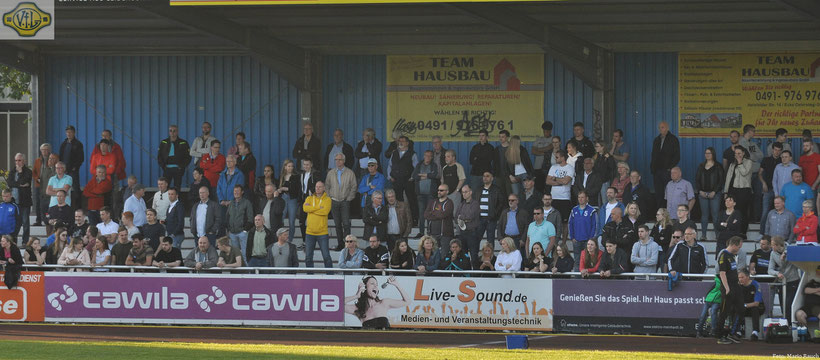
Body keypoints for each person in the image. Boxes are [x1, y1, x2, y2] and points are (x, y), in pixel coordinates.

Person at [344, 276, 410, 329]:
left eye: (377, 285)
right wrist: (356, 296)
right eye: (372, 284)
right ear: (365, 287)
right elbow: (338, 304)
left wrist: (397, 284)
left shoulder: (384, 303)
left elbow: (407, 301)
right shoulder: (358, 309)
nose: (375, 286)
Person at [326, 153, 358, 251]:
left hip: (345, 201)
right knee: (337, 224)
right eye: (336, 159)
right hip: (334, 201)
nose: (337, 161)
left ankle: (347, 244)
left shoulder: (350, 172)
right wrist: (330, 196)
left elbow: (354, 186)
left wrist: (349, 198)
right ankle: (340, 244)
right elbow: (327, 186)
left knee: (346, 224)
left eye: (339, 159)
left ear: (344, 161)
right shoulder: (331, 173)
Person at [716, 236, 743, 345]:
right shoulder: (724, 255)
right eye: (739, 247)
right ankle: (720, 335)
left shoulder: (732, 256)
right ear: (734, 245)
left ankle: (732, 333)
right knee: (724, 312)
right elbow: (722, 273)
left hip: (735, 286)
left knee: (741, 309)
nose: (740, 249)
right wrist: (727, 288)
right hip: (728, 287)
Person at [387, 135, 418, 227]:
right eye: (399, 141)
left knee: (412, 200)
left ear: (407, 143)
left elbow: (416, 167)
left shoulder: (412, 154)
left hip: (408, 180)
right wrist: (389, 176)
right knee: (398, 201)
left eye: (403, 141)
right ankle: (399, 221)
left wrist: (412, 177)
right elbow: (390, 165)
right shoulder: (394, 153)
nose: (400, 142)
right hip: (396, 180)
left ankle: (414, 220)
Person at [768, 236, 800, 324]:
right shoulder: (773, 253)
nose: (771, 247)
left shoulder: (790, 249)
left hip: (793, 280)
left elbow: (797, 263)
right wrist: (777, 273)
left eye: (772, 245)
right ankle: (786, 324)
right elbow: (770, 269)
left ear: (778, 245)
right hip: (782, 282)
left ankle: (792, 324)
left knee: (789, 304)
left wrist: (785, 258)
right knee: (783, 305)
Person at [695, 147, 724, 240]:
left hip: (715, 194)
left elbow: (721, 181)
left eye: (709, 153)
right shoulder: (701, 166)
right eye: (706, 153)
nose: (707, 155)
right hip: (703, 194)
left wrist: (715, 191)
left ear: (713, 154)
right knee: (704, 215)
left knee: (715, 215)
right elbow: (697, 180)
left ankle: (718, 235)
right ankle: (703, 235)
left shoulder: (718, 166)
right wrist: (700, 191)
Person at [651, 121, 680, 210]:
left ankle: (669, 213)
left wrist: (670, 168)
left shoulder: (673, 139)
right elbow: (653, 155)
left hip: (667, 171)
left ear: (667, 128)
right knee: (659, 193)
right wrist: (652, 168)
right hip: (657, 171)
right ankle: (659, 213)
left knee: (669, 193)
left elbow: (677, 156)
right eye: (659, 128)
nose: (661, 129)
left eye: (663, 127)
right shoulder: (656, 140)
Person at [303, 181, 332, 268]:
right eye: (316, 187)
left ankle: (330, 276)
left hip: (322, 232)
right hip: (310, 232)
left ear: (324, 188)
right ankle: (310, 276)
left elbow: (325, 211)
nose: (317, 188)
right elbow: (305, 208)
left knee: (326, 256)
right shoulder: (309, 198)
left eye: (320, 187)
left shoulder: (328, 199)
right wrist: (318, 208)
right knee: (308, 257)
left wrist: (311, 209)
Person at [546, 150, 575, 237]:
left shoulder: (569, 168)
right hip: (554, 197)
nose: (556, 158)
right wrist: (560, 182)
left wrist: (554, 179)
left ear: (563, 157)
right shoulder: (553, 167)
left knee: (564, 222)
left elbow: (566, 181)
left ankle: (564, 242)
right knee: (552, 221)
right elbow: (547, 181)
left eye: (557, 157)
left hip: (564, 198)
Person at [413, 150, 441, 238]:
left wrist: (423, 175)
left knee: (430, 213)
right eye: (426, 155)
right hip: (420, 194)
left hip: (430, 194)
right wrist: (428, 175)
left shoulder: (434, 165)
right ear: (424, 156)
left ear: (432, 157)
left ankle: (429, 232)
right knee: (421, 214)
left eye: (429, 156)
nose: (427, 157)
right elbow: (414, 176)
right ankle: (421, 232)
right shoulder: (419, 165)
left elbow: (435, 175)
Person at [568, 191, 598, 271]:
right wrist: (572, 237)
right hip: (576, 240)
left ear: (587, 198)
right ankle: (577, 280)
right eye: (579, 197)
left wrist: (591, 239)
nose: (580, 199)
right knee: (577, 261)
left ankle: (587, 280)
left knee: (588, 261)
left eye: (582, 197)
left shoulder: (592, 210)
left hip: (588, 241)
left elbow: (594, 226)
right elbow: (570, 224)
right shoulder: (574, 210)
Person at [225, 185, 253, 263]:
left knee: (244, 253)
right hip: (233, 233)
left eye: (238, 191)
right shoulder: (231, 203)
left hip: (242, 232)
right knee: (235, 254)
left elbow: (250, 218)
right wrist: (228, 230)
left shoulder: (247, 203)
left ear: (242, 192)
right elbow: (227, 217)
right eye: (234, 191)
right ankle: (237, 272)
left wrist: (245, 230)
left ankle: (247, 272)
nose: (236, 192)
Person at [8, 153, 32, 244]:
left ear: (24, 161)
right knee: (15, 223)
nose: (17, 162)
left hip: (25, 201)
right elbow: (10, 183)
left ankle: (25, 241)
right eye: (16, 160)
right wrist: (20, 185)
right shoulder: (12, 171)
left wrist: (21, 172)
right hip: (14, 201)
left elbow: (25, 181)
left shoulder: (28, 171)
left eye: (19, 160)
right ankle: (13, 241)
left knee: (25, 222)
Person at [157, 124, 191, 189]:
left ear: (177, 132)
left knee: (177, 187)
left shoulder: (183, 142)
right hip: (166, 168)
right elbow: (159, 156)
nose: (172, 132)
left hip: (178, 169)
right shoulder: (164, 142)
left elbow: (188, 156)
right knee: (165, 187)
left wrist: (182, 166)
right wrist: (163, 166)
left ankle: (176, 199)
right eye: (170, 131)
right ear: (169, 132)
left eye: (174, 131)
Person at [759, 142, 782, 236]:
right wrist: (763, 183)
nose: (777, 152)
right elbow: (759, 173)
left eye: (779, 150)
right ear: (772, 150)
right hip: (768, 190)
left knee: (780, 212)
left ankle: (778, 234)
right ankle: (762, 233)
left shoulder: (782, 161)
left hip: (780, 191)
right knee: (765, 212)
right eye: (775, 150)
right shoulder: (766, 160)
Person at [735, 269, 765, 341]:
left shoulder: (755, 284)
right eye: (739, 277)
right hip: (744, 307)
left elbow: (756, 303)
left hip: (756, 307)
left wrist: (744, 306)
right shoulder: (738, 286)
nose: (740, 279)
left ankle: (755, 332)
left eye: (742, 277)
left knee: (755, 309)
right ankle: (737, 331)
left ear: (748, 277)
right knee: (734, 308)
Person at [476, 171, 503, 246]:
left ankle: (490, 257)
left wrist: (495, 213)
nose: (485, 178)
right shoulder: (479, 189)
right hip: (480, 218)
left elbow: (501, 203)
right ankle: (476, 257)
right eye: (484, 176)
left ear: (492, 178)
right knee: (476, 239)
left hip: (491, 219)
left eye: (487, 176)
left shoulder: (497, 189)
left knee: (490, 241)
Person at [59, 126, 84, 206]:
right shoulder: (64, 144)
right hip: (64, 171)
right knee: (63, 189)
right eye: (67, 132)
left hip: (73, 171)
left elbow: (80, 158)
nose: (68, 134)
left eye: (70, 132)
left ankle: (78, 208)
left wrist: (74, 168)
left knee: (76, 189)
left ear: (74, 133)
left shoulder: (78, 144)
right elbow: (61, 156)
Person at [424, 184, 454, 251]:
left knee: (444, 256)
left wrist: (432, 212)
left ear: (447, 192)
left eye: (441, 190)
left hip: (445, 235)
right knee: (434, 256)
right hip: (432, 234)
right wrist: (439, 213)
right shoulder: (433, 202)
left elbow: (443, 215)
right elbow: (426, 215)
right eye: (438, 190)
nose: (439, 192)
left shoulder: (449, 202)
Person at [217, 156, 246, 223]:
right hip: (223, 203)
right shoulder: (222, 174)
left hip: (234, 203)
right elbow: (218, 188)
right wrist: (221, 200)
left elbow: (239, 189)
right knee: (222, 223)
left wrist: (232, 201)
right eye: (227, 161)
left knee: (232, 223)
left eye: (230, 161)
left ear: (235, 162)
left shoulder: (239, 174)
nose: (228, 163)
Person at [279, 159, 300, 243]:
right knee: (281, 219)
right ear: (285, 167)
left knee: (292, 221)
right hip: (283, 198)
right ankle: (281, 238)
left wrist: (284, 188)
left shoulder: (296, 176)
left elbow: (296, 189)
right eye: (289, 166)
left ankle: (290, 240)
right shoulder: (282, 176)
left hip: (292, 199)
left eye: (292, 166)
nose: (290, 168)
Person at [298, 158, 320, 239]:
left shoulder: (315, 174)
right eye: (304, 164)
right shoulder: (302, 174)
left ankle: (312, 240)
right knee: (301, 221)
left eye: (307, 164)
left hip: (312, 199)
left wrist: (313, 192)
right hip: (303, 199)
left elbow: (318, 186)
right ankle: (304, 240)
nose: (306, 166)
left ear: (311, 165)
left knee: (312, 221)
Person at [32, 143, 53, 227]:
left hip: (48, 185)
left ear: (49, 151)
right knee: (38, 202)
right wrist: (37, 178)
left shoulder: (52, 159)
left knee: (48, 203)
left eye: (46, 150)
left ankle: (48, 219)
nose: (45, 151)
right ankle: (38, 220)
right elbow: (34, 172)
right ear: (40, 151)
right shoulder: (38, 160)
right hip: (39, 184)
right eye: (43, 150)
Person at [469, 129, 495, 195]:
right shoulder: (475, 147)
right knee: (475, 193)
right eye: (480, 136)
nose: (481, 137)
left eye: (483, 135)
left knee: (486, 193)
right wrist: (482, 158)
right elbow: (471, 160)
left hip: (486, 174)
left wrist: (477, 158)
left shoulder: (490, 148)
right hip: (475, 174)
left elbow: (489, 160)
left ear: (487, 137)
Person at [593, 140, 616, 206]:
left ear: (602, 147)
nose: (596, 148)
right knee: (598, 201)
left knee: (605, 200)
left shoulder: (607, 156)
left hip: (604, 181)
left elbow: (612, 167)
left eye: (597, 146)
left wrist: (608, 158)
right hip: (597, 181)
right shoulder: (596, 156)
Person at [495, 130, 512, 197]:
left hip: (509, 176)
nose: (501, 138)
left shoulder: (512, 148)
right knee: (500, 194)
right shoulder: (497, 149)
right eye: (500, 137)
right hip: (499, 175)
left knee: (510, 193)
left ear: (507, 138)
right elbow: (495, 163)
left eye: (503, 137)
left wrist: (512, 174)